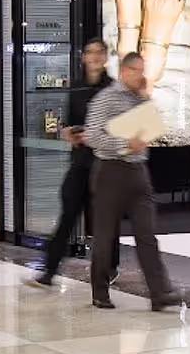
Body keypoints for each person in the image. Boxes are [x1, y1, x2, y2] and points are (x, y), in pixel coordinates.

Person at [83, 51, 178, 311]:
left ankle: (160, 293)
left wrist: (147, 102)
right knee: (105, 235)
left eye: (143, 70)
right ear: (124, 71)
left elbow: (153, 127)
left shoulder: (141, 98)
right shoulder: (106, 98)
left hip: (138, 172)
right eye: (136, 70)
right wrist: (124, 143)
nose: (141, 75)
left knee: (147, 234)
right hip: (110, 171)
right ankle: (100, 291)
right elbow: (92, 136)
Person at [29, 39, 123, 289]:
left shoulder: (113, 89)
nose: (93, 57)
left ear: (105, 57)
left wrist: (95, 135)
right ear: (83, 57)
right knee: (68, 214)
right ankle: (49, 270)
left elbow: (118, 128)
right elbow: (68, 123)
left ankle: (109, 268)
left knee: (104, 220)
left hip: (103, 164)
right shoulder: (77, 88)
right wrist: (67, 133)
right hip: (80, 162)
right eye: (89, 52)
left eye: (98, 52)